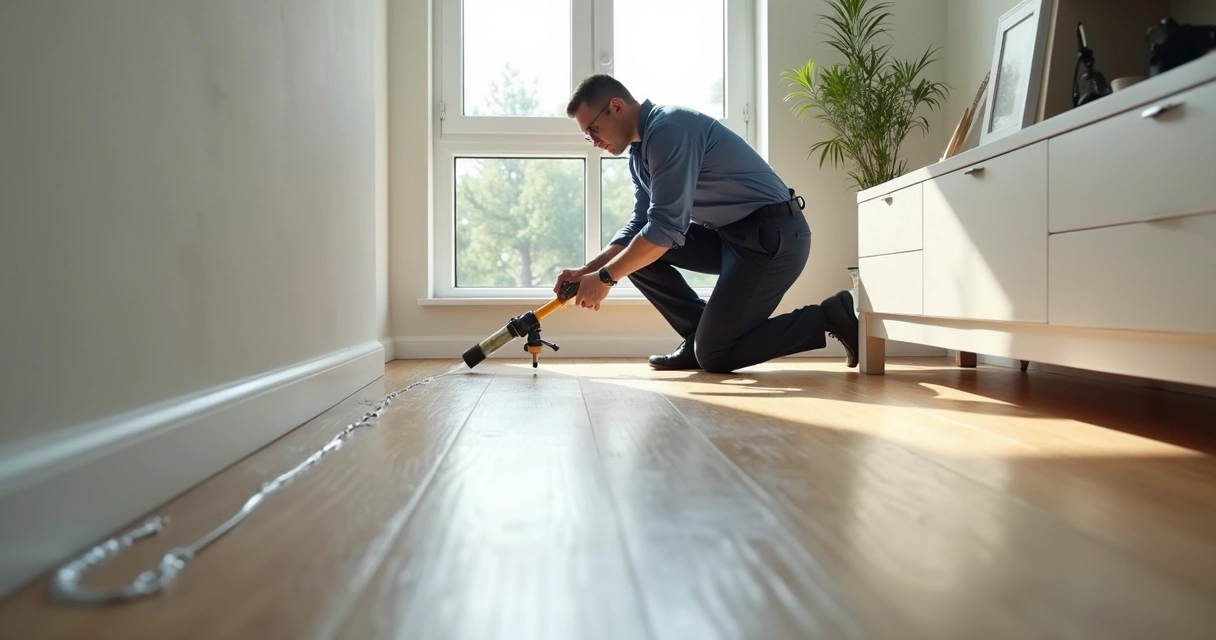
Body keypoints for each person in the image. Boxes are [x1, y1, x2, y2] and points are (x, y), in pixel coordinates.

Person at [554, 74, 858, 373]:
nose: (593, 142)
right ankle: (697, 336)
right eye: (587, 135)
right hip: (732, 237)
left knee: (715, 354)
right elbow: (641, 225)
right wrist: (588, 272)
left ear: (616, 107)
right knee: (637, 257)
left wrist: (605, 279)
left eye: (593, 129)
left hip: (773, 237)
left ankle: (828, 316)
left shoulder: (668, 130)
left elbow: (663, 231)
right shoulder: (639, 155)